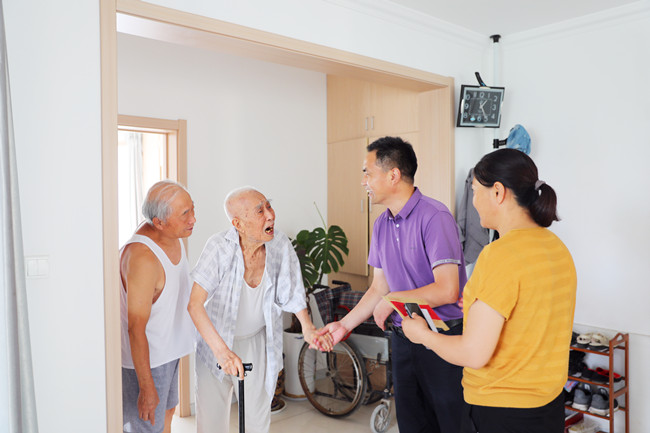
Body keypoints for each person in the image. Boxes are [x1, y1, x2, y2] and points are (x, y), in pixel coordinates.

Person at [402, 148, 577, 432]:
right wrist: (479, 306)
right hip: (549, 407)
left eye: (474, 191)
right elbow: (529, 313)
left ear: (498, 192)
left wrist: (422, 335)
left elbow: (473, 354)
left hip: (501, 411)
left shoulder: (499, 255)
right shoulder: (557, 248)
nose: (473, 201)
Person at [318, 136, 467, 433]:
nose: (363, 181)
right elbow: (378, 288)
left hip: (443, 337)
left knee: (451, 423)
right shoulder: (382, 224)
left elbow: (448, 289)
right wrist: (344, 326)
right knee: (412, 422)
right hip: (403, 337)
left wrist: (393, 299)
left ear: (393, 175)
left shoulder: (434, 217)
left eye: (367, 173)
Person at [188, 187, 332, 433]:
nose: (270, 215)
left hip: (256, 342)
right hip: (215, 343)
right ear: (238, 224)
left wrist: (308, 328)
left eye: (269, 206)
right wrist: (222, 353)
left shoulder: (280, 245)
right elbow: (194, 304)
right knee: (211, 423)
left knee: (257, 419)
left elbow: (293, 290)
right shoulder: (219, 248)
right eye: (259, 211)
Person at [120, 180, 197, 433]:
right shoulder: (143, 258)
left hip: (169, 350)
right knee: (147, 425)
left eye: (192, 209)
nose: (193, 219)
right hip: (147, 360)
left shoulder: (173, 234)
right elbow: (135, 329)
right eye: (185, 213)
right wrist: (146, 387)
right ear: (159, 222)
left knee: (167, 415)